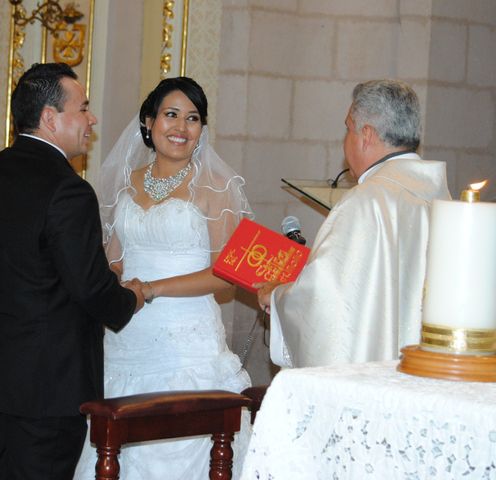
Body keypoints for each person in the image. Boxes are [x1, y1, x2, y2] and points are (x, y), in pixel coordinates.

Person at [0, 63, 145, 480]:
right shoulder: (68, 190)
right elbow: (93, 290)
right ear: (49, 117)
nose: (91, 119)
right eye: (83, 108)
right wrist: (132, 296)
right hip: (48, 387)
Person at [73, 77, 253, 479]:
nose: (181, 127)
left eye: (193, 118)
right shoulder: (125, 183)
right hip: (128, 337)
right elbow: (116, 259)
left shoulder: (217, 188)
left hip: (186, 341)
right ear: (150, 122)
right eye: (171, 115)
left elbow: (226, 277)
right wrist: (107, 278)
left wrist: (151, 289)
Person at [257, 79, 450, 368]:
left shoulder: (366, 202)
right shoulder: (443, 199)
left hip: (374, 378)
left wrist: (277, 295)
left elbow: (325, 300)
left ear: (367, 135)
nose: (346, 140)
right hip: (428, 371)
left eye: (348, 128)